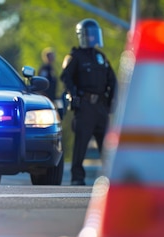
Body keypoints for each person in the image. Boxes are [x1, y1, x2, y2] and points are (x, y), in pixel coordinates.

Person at [60, 18, 116, 186]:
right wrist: (74, 94)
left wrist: (110, 102)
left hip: (100, 107)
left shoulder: (100, 57)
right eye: (89, 35)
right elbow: (66, 77)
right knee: (81, 143)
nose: (92, 38)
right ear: (83, 36)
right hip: (84, 106)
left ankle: (111, 177)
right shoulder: (75, 56)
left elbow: (112, 80)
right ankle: (77, 177)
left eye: (94, 34)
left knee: (107, 144)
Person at [37, 47, 64, 119]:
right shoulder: (45, 69)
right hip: (47, 97)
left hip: (53, 96)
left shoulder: (51, 69)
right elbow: (41, 83)